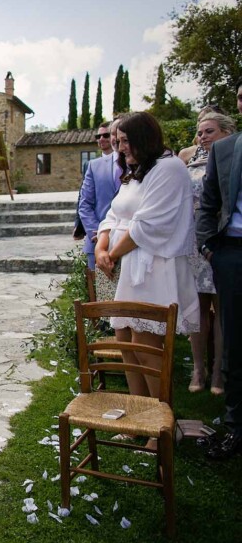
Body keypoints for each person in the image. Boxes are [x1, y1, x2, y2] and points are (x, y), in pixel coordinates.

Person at [96, 111, 200, 399]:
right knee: (126, 343)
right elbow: (114, 213)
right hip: (128, 266)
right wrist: (101, 247)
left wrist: (112, 254)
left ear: (143, 138)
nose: (120, 148)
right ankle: (137, 410)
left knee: (145, 347)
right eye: (118, 141)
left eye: (125, 141)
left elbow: (148, 225)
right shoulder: (139, 170)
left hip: (154, 267)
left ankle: (161, 416)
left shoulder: (169, 168)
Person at [196, 77, 242, 460]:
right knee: (235, 341)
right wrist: (210, 247)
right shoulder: (226, 150)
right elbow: (208, 204)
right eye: (240, 97)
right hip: (233, 253)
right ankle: (235, 427)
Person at [184, 113, 236, 393]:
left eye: (210, 131)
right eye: (200, 132)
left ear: (227, 132)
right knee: (198, 307)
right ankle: (198, 369)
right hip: (194, 238)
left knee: (222, 307)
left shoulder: (234, 158)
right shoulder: (189, 159)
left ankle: (218, 371)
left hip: (223, 239)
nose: (203, 137)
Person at [79, 121, 121, 271]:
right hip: (97, 242)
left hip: (130, 242)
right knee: (99, 286)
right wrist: (100, 233)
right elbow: (85, 204)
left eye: (108, 135)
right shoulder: (94, 166)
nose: (115, 138)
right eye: (113, 134)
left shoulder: (139, 165)